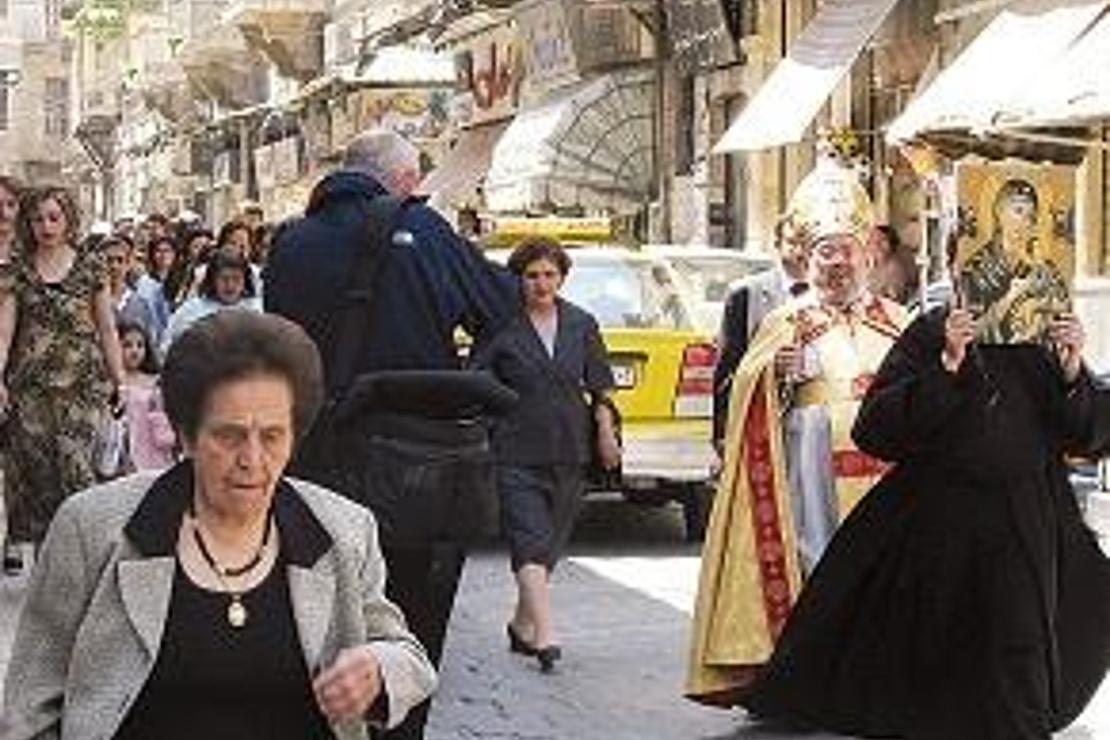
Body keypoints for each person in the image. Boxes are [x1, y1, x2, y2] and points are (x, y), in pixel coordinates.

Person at [1, 311, 437, 739]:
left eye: (272, 436)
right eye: (229, 435)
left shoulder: (343, 531)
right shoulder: (93, 528)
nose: (252, 459)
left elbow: (408, 656)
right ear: (187, 435)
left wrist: (379, 668)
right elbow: (30, 704)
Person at [739, 305, 1110, 740]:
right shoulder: (933, 329)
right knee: (934, 655)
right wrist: (947, 365)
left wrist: (1071, 370)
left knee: (1019, 646)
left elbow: (1088, 434)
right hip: (940, 519)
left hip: (1027, 519)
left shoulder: (1041, 333)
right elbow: (876, 427)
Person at [266, 127, 516, 740]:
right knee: (409, 627)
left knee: (317, 616)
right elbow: (503, 307)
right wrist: (457, 377)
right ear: (403, 181)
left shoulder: (291, 244)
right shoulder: (425, 231)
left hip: (315, 460)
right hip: (419, 465)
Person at [686, 156, 908, 705]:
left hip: (890, 482)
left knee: (887, 579)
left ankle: (880, 680)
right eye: (824, 253)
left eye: (846, 252)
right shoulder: (786, 322)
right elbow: (745, 392)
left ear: (868, 254)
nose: (837, 264)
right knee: (821, 575)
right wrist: (772, 377)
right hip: (813, 482)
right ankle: (816, 682)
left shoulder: (900, 322)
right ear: (807, 260)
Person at [471, 237, 620, 673]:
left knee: (550, 542)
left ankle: (521, 623)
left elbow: (601, 385)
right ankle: (547, 632)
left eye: (549, 275)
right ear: (519, 280)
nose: (541, 283)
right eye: (532, 275)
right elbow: (476, 381)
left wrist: (605, 433)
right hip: (514, 448)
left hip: (570, 446)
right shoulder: (501, 328)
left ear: (562, 277)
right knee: (528, 537)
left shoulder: (582, 324)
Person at [0, 186, 126, 573]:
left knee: (77, 473)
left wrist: (120, 379)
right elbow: (4, 332)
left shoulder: (90, 267)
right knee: (38, 482)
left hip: (82, 389)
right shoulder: (17, 270)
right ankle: (47, 572)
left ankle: (83, 566)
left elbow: (107, 329)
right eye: (38, 219)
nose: (46, 226)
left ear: (68, 219)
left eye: (54, 217)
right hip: (31, 392)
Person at [712, 213, 810, 453]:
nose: (800, 251)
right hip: (760, 423)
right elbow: (729, 369)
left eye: (807, 243)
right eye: (793, 242)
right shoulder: (746, 294)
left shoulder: (828, 295)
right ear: (777, 245)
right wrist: (723, 434)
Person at [160, 247, 262, 358]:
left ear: (245, 280)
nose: (230, 285)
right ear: (213, 279)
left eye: (236, 279)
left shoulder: (257, 309)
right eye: (224, 279)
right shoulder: (191, 310)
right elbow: (166, 348)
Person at [118, 319, 176, 473]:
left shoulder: (155, 380)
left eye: (140, 345)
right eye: (127, 345)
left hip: (154, 448)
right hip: (122, 448)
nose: (134, 351)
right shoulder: (113, 380)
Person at [134, 234, 178, 345]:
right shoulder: (145, 282)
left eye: (167, 251)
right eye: (158, 251)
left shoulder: (181, 281)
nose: (163, 255)